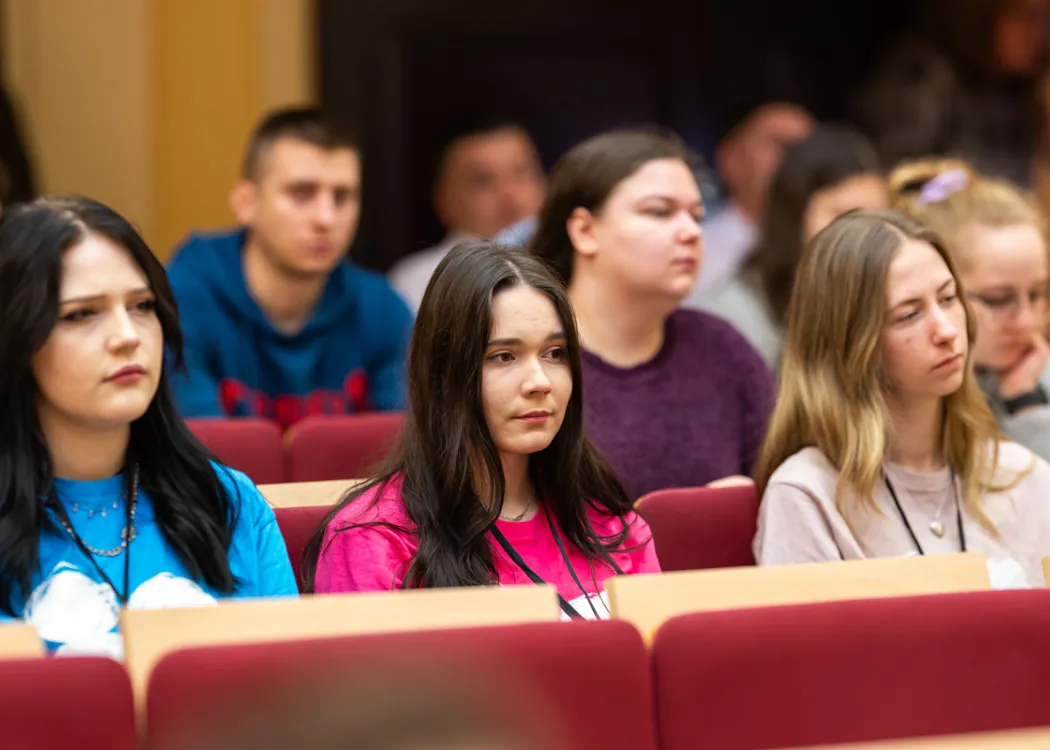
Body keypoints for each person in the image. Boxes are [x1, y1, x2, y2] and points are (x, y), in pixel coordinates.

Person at [0, 197, 298, 657]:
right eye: (82, 313)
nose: (127, 335)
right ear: (17, 338)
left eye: (141, 305)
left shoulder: (228, 502)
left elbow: (288, 688)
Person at [308, 241, 660, 618]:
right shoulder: (374, 540)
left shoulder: (614, 528)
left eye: (554, 353)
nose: (539, 381)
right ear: (445, 376)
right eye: (504, 356)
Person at [754, 209, 1050, 587]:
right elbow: (810, 646)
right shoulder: (807, 494)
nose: (945, 331)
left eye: (948, 299)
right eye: (910, 315)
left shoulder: (1023, 476)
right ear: (850, 344)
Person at [530, 129, 774, 499]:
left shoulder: (723, 349)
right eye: (660, 212)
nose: (691, 232)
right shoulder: (524, 359)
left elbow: (782, 489)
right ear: (584, 231)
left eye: (696, 215)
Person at [167, 107, 412, 430]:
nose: (326, 218)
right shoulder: (183, 298)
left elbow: (410, 451)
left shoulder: (383, 310)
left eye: (342, 196)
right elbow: (199, 456)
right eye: (302, 193)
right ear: (246, 203)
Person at [890, 159, 1050, 460]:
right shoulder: (914, 395)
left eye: (1038, 294)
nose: (1027, 322)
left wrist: (1027, 404)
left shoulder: (1038, 370)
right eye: (999, 299)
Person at [701, 126, 889, 367]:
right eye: (845, 216)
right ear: (794, 216)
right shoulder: (731, 318)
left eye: (879, 219)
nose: (865, 235)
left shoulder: (886, 302)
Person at [856, 0, 1047, 187]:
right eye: (1025, 16)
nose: (1038, 35)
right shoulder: (925, 77)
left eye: (1046, 19)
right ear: (987, 12)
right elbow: (895, 179)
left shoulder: (1023, 93)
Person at [388, 119, 545, 311]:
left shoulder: (575, 263)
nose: (509, 195)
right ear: (443, 199)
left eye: (521, 172)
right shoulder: (419, 282)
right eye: (483, 181)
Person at [681, 101, 814, 305]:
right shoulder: (692, 250)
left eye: (806, 149)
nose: (797, 161)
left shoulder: (820, 250)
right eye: (781, 145)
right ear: (731, 158)